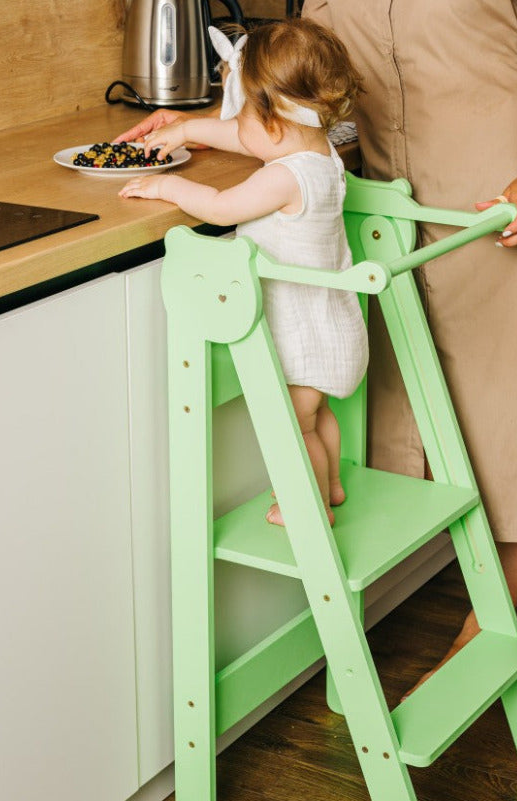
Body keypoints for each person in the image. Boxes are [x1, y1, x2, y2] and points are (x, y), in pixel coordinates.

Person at [118, 1, 517, 690]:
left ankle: (490, 623)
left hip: (506, 196)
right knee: (444, 414)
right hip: (393, 201)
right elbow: (302, 85)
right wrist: (199, 126)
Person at [119, 19, 368, 527]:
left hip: (300, 332)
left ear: (272, 119)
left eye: (241, 113)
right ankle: (335, 485)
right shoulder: (318, 153)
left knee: (294, 426)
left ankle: (313, 505)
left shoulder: (282, 176)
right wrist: (186, 128)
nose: (234, 128)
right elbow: (245, 137)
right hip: (331, 322)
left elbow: (220, 207)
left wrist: (166, 189)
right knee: (318, 417)